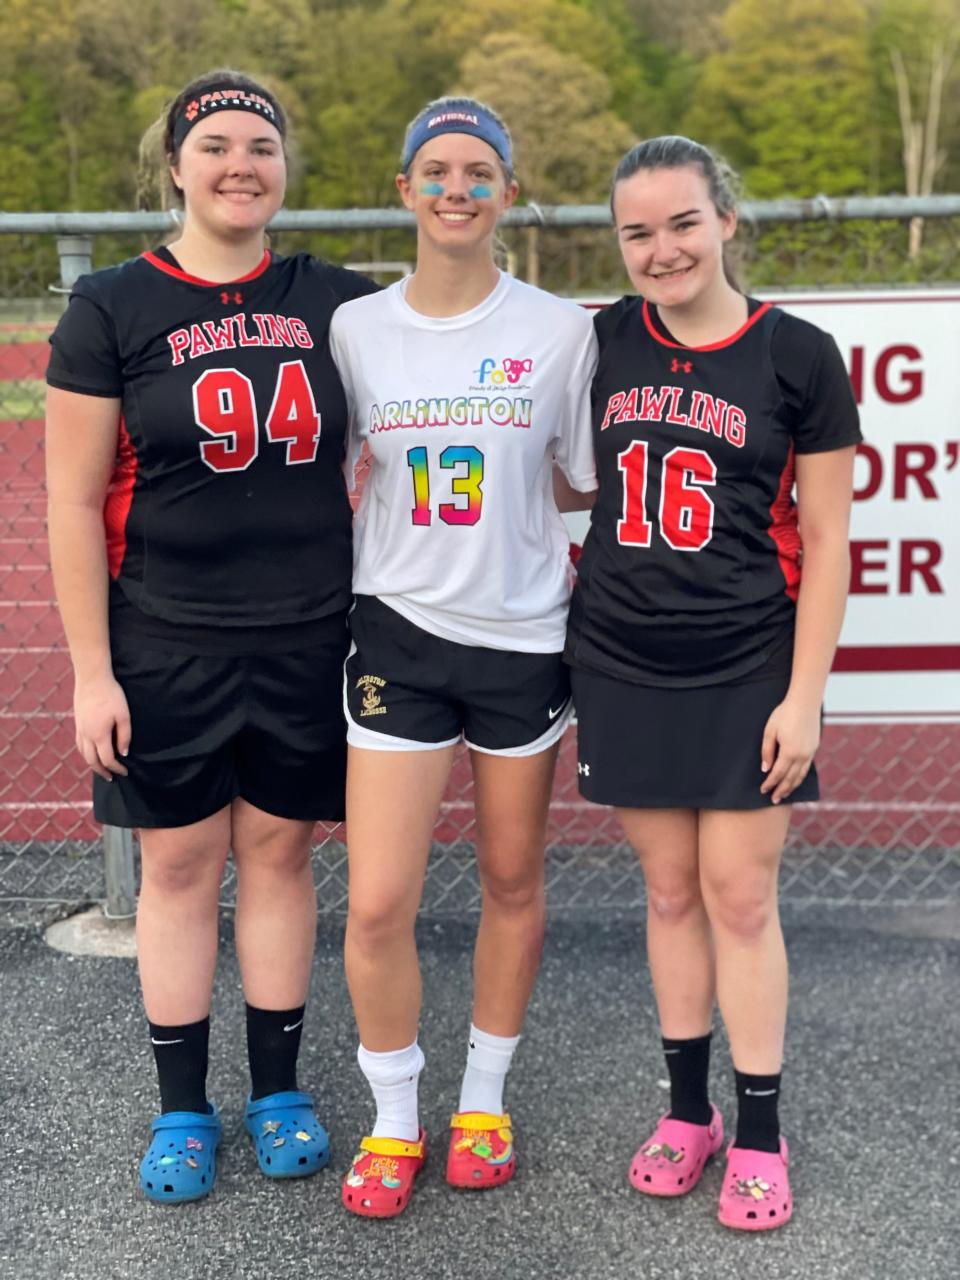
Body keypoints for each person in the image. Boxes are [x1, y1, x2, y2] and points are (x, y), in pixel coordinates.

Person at [45, 69, 377, 1204]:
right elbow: (70, 503)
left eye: (263, 145)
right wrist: (93, 670)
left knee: (281, 854)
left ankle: (278, 1087)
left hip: (304, 635)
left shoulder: (339, 298)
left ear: (285, 168)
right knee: (180, 866)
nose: (243, 163)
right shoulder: (112, 306)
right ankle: (183, 1102)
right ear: (177, 164)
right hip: (165, 637)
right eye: (218, 143)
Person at [564, 136, 860, 1231]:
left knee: (740, 892)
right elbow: (547, 460)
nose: (662, 248)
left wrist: (805, 693)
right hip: (624, 655)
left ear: (726, 220)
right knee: (669, 889)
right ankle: (687, 1112)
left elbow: (827, 540)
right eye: (637, 231)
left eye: (683, 222)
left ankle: (763, 1127)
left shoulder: (798, 353)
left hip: (747, 661)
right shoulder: (597, 341)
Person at [328, 97, 597, 1217]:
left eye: (478, 170)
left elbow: (579, 478)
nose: (456, 187)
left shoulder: (561, 330)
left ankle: (483, 1098)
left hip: (523, 635)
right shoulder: (357, 331)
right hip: (397, 629)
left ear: (508, 192)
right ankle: (396, 1114)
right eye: (435, 168)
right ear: (404, 189)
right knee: (381, 897)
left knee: (509, 876)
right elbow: (335, 467)